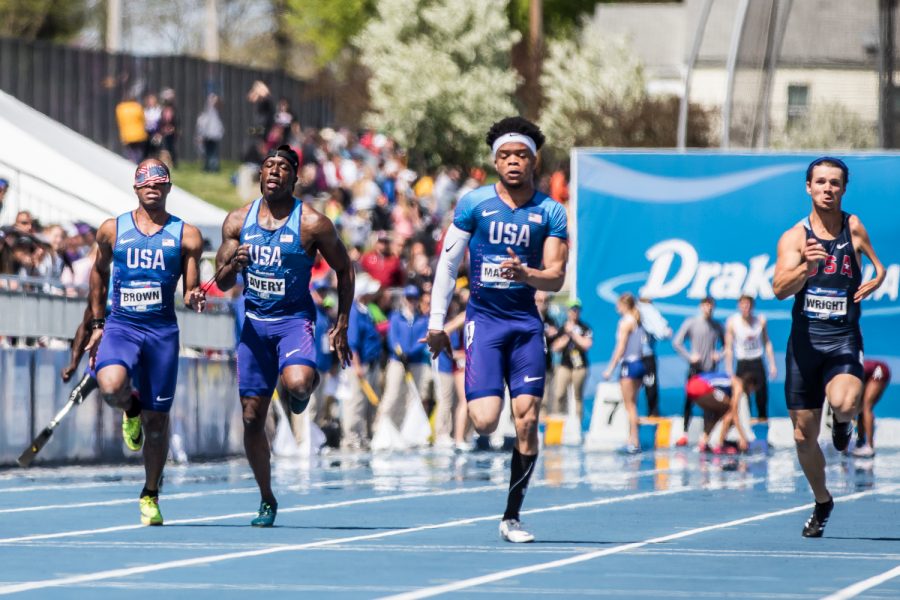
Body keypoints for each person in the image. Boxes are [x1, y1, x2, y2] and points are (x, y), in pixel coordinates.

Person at [424, 116, 568, 543]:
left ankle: (512, 516)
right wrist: (436, 324)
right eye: (504, 155)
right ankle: (490, 394)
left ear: (533, 161)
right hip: (484, 323)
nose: (512, 162)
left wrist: (527, 275)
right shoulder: (474, 204)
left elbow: (557, 276)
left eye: (520, 155)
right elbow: (448, 265)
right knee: (485, 422)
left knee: (526, 422)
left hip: (525, 326)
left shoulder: (550, 211)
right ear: (494, 161)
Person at [214, 145, 354, 527]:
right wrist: (233, 263)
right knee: (251, 417)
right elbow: (222, 281)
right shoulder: (237, 221)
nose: (274, 172)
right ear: (260, 175)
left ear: (296, 178)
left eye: (283, 167)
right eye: (268, 166)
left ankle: (300, 388)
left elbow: (345, 269)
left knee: (298, 381)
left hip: (293, 321)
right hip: (255, 326)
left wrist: (341, 322)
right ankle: (266, 498)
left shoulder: (313, 223)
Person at [84, 159, 205, 526]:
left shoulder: (187, 235)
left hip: (162, 333)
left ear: (168, 188)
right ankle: (129, 410)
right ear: (136, 188)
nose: (153, 186)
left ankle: (150, 493)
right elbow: (98, 273)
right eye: (146, 182)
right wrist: (96, 324)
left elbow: (191, 288)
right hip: (122, 326)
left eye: (160, 181)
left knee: (158, 423)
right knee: (110, 386)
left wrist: (196, 296)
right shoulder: (112, 230)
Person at [773, 156, 885, 537]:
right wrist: (806, 268)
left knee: (845, 401)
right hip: (804, 347)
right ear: (808, 187)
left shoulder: (853, 227)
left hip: (842, 341)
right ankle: (822, 500)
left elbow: (877, 264)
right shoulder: (794, 237)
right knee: (803, 436)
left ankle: (842, 423)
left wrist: (878, 277)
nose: (827, 189)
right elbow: (777, 289)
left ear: (843, 188)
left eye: (834, 183)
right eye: (820, 182)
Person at [377, 285, 430, 436]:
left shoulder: (423, 319)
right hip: (397, 361)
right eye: (409, 298)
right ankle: (380, 430)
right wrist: (399, 352)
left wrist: (411, 353)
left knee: (412, 398)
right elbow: (392, 338)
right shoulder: (396, 316)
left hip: (416, 362)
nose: (411, 301)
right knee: (392, 395)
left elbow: (423, 340)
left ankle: (405, 432)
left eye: (414, 298)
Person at [672, 296, 725, 447]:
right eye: (706, 305)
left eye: (711, 306)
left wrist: (719, 355)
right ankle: (684, 434)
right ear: (701, 306)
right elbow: (677, 342)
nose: (708, 308)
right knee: (689, 401)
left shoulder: (717, 326)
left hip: (710, 372)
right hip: (695, 369)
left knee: (709, 405)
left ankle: (705, 436)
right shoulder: (692, 322)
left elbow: (728, 344)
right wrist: (689, 356)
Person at [602, 293, 645, 454]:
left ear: (624, 305)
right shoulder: (637, 321)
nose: (616, 307)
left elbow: (620, 348)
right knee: (633, 403)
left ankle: (634, 441)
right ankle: (631, 439)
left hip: (630, 364)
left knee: (630, 405)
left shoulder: (625, 322)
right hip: (639, 363)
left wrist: (610, 368)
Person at [724, 295, 777, 423]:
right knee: (741, 397)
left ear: (752, 306)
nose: (745, 307)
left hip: (757, 361)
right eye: (743, 304)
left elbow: (767, 342)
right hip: (743, 363)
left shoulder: (760, 320)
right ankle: (744, 427)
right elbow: (728, 347)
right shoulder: (732, 322)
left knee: (762, 395)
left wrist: (772, 364)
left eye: (748, 304)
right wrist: (729, 370)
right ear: (739, 306)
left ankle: (762, 424)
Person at [551, 298, 592, 423]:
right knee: (559, 394)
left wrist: (574, 333)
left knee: (578, 397)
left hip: (580, 367)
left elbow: (587, 344)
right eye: (572, 310)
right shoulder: (562, 327)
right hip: (565, 365)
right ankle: (557, 424)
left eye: (577, 310)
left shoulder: (584, 327)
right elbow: (555, 347)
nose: (574, 312)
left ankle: (577, 425)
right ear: (568, 311)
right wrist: (566, 336)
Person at [684, 371, 737, 452]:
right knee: (730, 409)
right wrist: (743, 437)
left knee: (718, 412)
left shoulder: (723, 381)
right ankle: (720, 444)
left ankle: (704, 441)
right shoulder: (736, 382)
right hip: (700, 385)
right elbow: (734, 410)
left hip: (690, 386)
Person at [637, 297, 671, 417]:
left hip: (648, 356)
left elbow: (662, 331)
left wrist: (664, 331)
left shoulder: (650, 312)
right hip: (635, 357)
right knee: (631, 386)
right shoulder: (634, 314)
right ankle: (630, 414)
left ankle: (653, 412)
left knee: (650, 385)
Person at [854, 359, 891, 457]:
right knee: (860, 408)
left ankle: (869, 446)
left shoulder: (849, 373)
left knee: (866, 406)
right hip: (868, 374)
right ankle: (860, 442)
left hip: (879, 370)